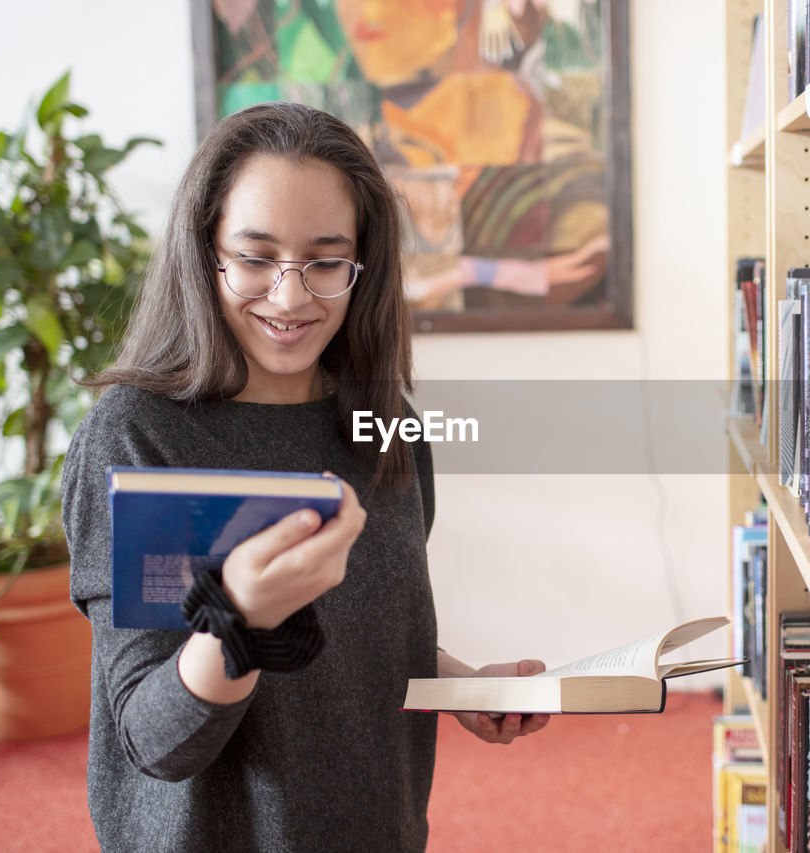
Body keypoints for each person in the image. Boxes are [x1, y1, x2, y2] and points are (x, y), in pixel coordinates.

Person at [62, 101, 549, 852]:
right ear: (206, 251)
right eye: (256, 257)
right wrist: (240, 623)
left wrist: (460, 684)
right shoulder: (135, 432)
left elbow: (372, 631)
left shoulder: (387, 425)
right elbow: (155, 743)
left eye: (325, 262)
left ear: (364, 266)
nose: (291, 297)